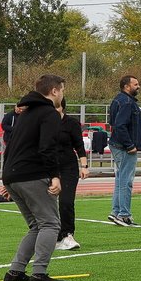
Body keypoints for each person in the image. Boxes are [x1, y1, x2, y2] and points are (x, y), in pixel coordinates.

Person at [0, 75, 75, 281]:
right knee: (50, 224)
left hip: (13, 174)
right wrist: (55, 176)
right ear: (53, 91)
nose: (62, 94)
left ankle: (15, 271)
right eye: (62, 90)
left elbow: (10, 146)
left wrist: (7, 179)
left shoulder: (26, 113)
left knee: (36, 226)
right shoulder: (48, 114)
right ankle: (39, 274)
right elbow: (47, 147)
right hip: (33, 174)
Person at [107, 75, 141, 226]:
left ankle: (116, 211)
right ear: (126, 86)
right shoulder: (127, 102)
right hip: (124, 147)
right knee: (125, 181)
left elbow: (113, 123)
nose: (138, 86)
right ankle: (123, 214)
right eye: (135, 84)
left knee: (120, 179)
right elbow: (120, 125)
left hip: (118, 145)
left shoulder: (118, 100)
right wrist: (130, 145)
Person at [55, 102, 89, 251]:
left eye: (56, 107)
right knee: (47, 205)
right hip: (48, 167)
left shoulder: (71, 123)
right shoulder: (42, 124)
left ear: (62, 107)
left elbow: (79, 146)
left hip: (68, 167)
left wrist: (84, 166)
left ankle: (67, 234)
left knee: (66, 201)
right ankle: (52, 237)